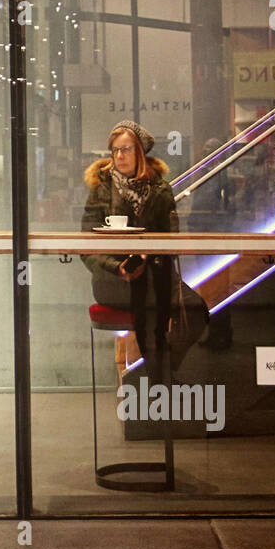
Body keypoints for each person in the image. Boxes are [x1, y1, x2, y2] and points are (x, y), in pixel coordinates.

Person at [81, 121, 186, 383]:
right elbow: (86, 245)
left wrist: (148, 257)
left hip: (154, 276)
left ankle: (158, 380)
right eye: (114, 150)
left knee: (192, 306)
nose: (119, 156)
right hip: (113, 280)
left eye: (126, 149)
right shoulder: (101, 189)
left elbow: (171, 239)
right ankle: (157, 381)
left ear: (140, 152)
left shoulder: (161, 190)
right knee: (152, 301)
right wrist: (117, 266)